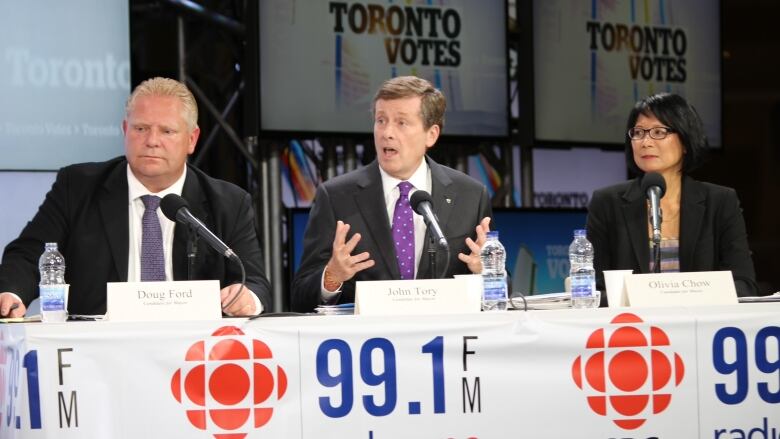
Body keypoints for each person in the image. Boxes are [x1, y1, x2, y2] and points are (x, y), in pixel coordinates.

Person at [0, 77, 270, 318]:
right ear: (124, 129)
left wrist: (248, 298)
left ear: (192, 139)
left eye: (167, 131)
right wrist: (11, 293)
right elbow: (27, 254)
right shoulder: (78, 187)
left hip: (193, 356)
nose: (152, 141)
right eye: (140, 129)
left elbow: (255, 282)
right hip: (98, 352)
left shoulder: (228, 202)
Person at [291, 76, 492, 312]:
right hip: (368, 344)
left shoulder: (470, 196)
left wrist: (486, 273)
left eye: (401, 123)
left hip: (445, 342)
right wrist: (332, 277)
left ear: (431, 134)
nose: (386, 132)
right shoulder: (336, 197)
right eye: (381, 120)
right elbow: (300, 297)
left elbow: (501, 287)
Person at [587, 92, 758, 303]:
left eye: (659, 132)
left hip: (701, 328)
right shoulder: (607, 202)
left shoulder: (720, 202)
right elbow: (592, 288)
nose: (645, 142)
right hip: (633, 330)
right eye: (638, 133)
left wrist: (684, 299)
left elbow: (743, 284)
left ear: (685, 141)